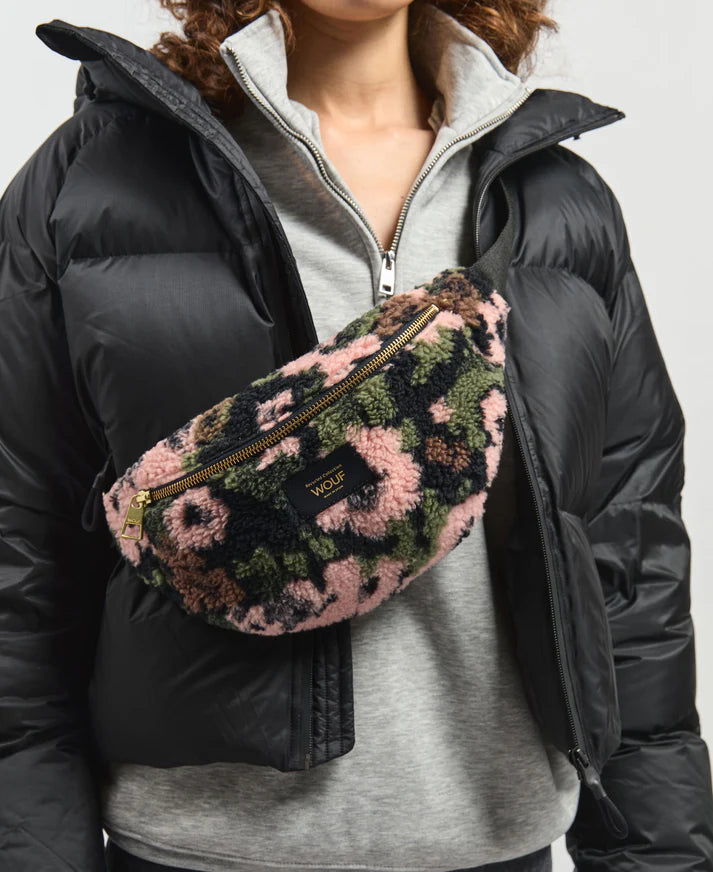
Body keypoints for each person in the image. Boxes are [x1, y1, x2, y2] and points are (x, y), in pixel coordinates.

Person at [1, 0, 712, 870]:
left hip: (496, 842)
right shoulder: (93, 183)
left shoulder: (555, 200)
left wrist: (655, 854)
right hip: (197, 850)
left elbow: (627, 554)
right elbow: (20, 548)